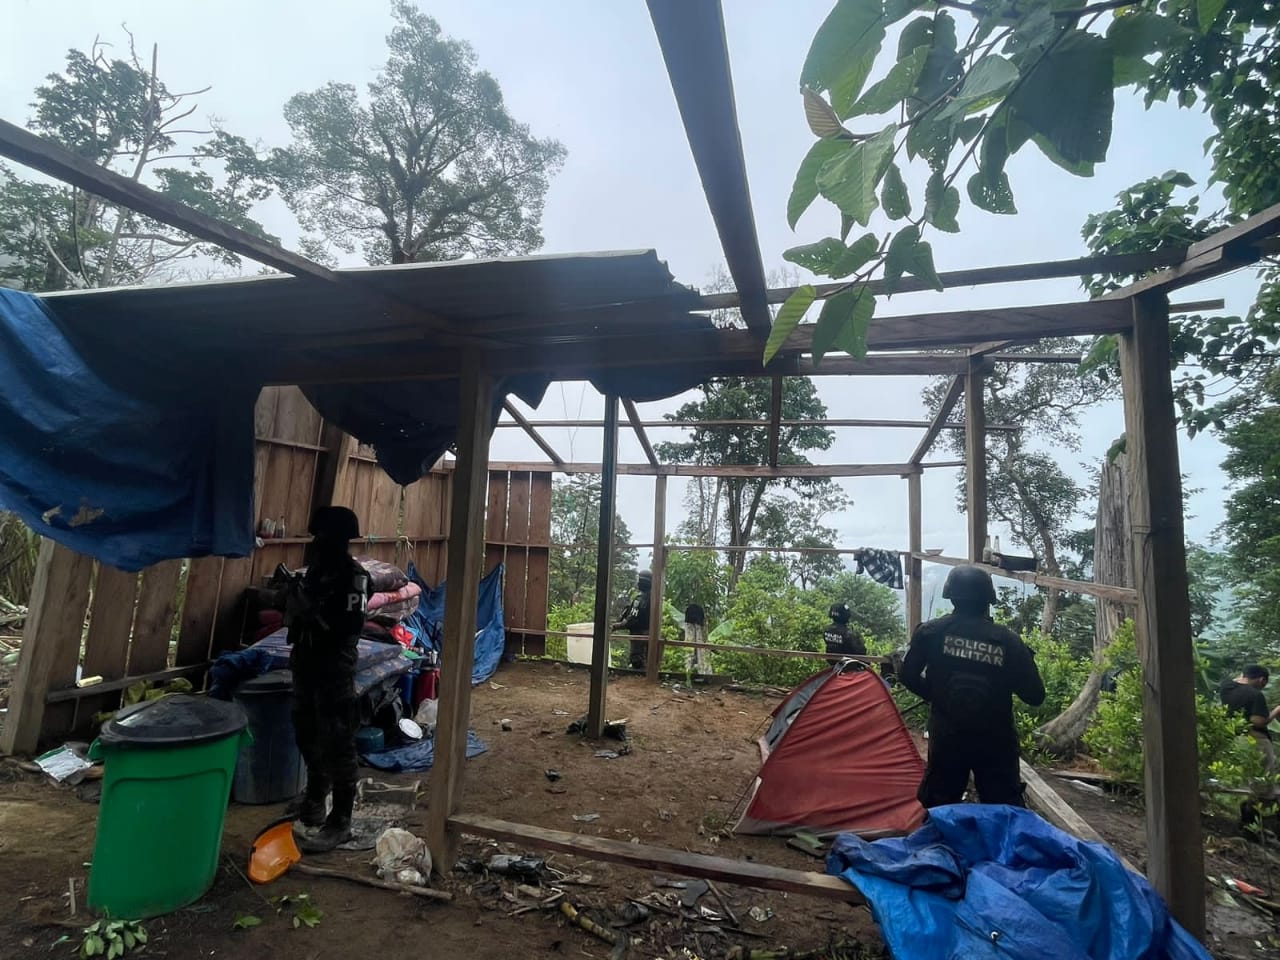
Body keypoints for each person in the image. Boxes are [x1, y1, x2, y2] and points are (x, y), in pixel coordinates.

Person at [901, 564, 1045, 807]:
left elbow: (907, 674)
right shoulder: (1008, 641)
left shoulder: (931, 632)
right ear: (988, 599)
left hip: (947, 736)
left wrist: (937, 696)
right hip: (995, 740)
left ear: (951, 595)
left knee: (939, 807)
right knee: (1002, 810)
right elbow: (1035, 695)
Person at [285, 506, 371, 853]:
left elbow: (349, 627)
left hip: (334, 667)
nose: (317, 542)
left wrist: (314, 614)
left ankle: (341, 820)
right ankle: (315, 798)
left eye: (323, 536)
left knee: (338, 741)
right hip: (306, 663)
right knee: (305, 732)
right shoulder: (315, 573)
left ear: (339, 539)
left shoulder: (354, 578)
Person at [1218, 665, 1280, 775]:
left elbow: (1237, 680)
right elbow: (1258, 722)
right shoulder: (1255, 694)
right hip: (1256, 740)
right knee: (1262, 777)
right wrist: (1277, 710)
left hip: (1233, 738)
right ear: (1261, 680)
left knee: (1240, 776)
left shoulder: (1226, 687)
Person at [613, 569, 652, 670]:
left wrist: (616, 626)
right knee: (648, 662)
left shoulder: (640, 599)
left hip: (639, 635)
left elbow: (632, 619)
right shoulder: (654, 598)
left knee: (637, 661)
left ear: (642, 582)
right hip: (650, 634)